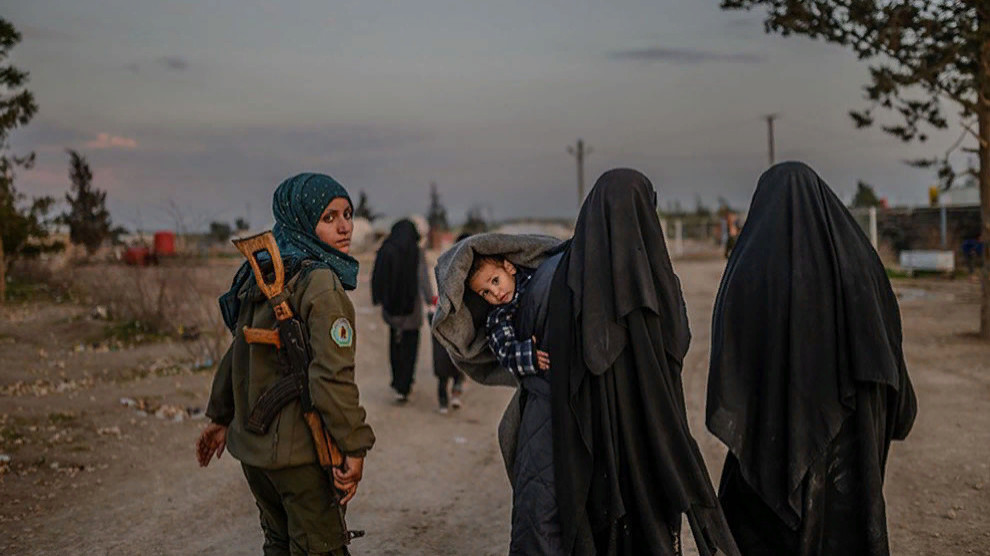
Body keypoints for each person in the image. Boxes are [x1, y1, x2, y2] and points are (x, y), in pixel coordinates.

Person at [706, 162, 918, 556]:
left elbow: (728, 357)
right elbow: (888, 339)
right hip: (850, 435)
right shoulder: (859, 258)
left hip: (769, 430)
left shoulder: (748, 267)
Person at [545, 168, 740, 556]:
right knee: (652, 509)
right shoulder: (657, 276)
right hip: (654, 425)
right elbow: (679, 341)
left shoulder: (567, 277)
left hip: (595, 435)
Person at [196, 172, 375, 556]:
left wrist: (221, 417)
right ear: (301, 220)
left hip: (256, 457)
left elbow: (236, 354)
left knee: (278, 545)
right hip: (301, 456)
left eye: (347, 214)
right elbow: (331, 378)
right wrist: (354, 447)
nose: (345, 227)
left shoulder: (262, 271)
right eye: (328, 218)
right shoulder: (319, 282)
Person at [431, 232, 565, 554]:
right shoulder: (499, 318)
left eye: (495, 280)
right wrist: (529, 357)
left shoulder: (541, 277)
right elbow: (505, 352)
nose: (495, 292)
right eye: (485, 292)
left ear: (510, 266)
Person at [371, 219, 434, 403]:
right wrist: (430, 298)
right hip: (411, 308)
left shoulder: (386, 248)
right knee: (410, 345)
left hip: (391, 308)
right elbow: (422, 277)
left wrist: (380, 298)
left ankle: (397, 382)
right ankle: (405, 384)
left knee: (395, 344)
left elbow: (378, 276)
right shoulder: (416, 251)